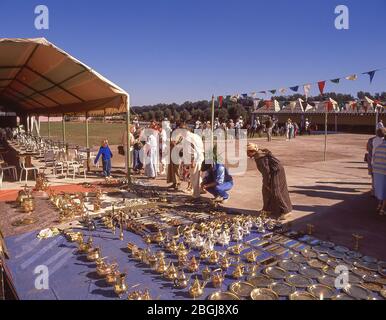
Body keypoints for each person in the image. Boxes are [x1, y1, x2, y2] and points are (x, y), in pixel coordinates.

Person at [247, 143, 292, 220]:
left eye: (248, 152)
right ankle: (267, 209)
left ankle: (286, 211)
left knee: (276, 191)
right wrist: (266, 184)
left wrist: (266, 182)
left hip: (276, 171)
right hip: (271, 171)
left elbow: (266, 172)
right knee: (265, 191)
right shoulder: (257, 155)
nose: (247, 154)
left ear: (252, 151)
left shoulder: (260, 158)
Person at [181, 125, 205, 200]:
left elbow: (192, 151)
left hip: (194, 160)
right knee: (195, 177)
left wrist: (192, 161)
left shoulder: (188, 138)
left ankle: (196, 195)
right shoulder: (195, 136)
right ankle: (200, 189)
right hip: (198, 158)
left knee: (194, 178)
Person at [372, 134, 386, 216]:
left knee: (381, 190)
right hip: (384, 171)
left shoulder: (379, 147)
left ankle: (379, 205)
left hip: (377, 171)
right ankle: (382, 209)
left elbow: (374, 158)